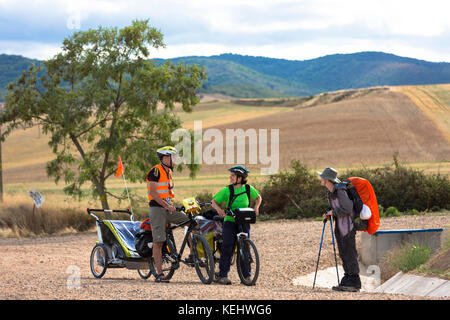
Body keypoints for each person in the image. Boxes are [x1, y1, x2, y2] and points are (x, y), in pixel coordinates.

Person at [147, 146, 194, 283]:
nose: (175, 160)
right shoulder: (155, 171)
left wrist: (171, 205)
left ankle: (192, 254)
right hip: (157, 209)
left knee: (190, 223)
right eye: (173, 157)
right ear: (165, 158)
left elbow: (166, 193)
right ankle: (159, 274)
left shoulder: (168, 172)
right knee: (159, 241)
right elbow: (153, 193)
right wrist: (167, 205)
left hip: (168, 208)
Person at [211, 165, 262, 285]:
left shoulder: (248, 189)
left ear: (240, 178)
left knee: (245, 247)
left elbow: (258, 198)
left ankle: (247, 276)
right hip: (230, 221)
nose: (230, 177)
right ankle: (223, 275)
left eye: (233, 175)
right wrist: (219, 210)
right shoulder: (227, 190)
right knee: (227, 247)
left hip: (244, 222)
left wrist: (256, 207)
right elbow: (213, 202)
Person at [319, 167, 361, 292]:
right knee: (343, 253)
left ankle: (354, 281)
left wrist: (333, 212)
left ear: (327, 179)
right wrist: (329, 213)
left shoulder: (340, 190)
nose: (320, 179)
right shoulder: (332, 192)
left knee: (349, 252)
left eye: (322, 177)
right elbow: (338, 208)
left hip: (348, 227)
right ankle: (348, 278)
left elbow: (348, 208)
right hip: (341, 226)